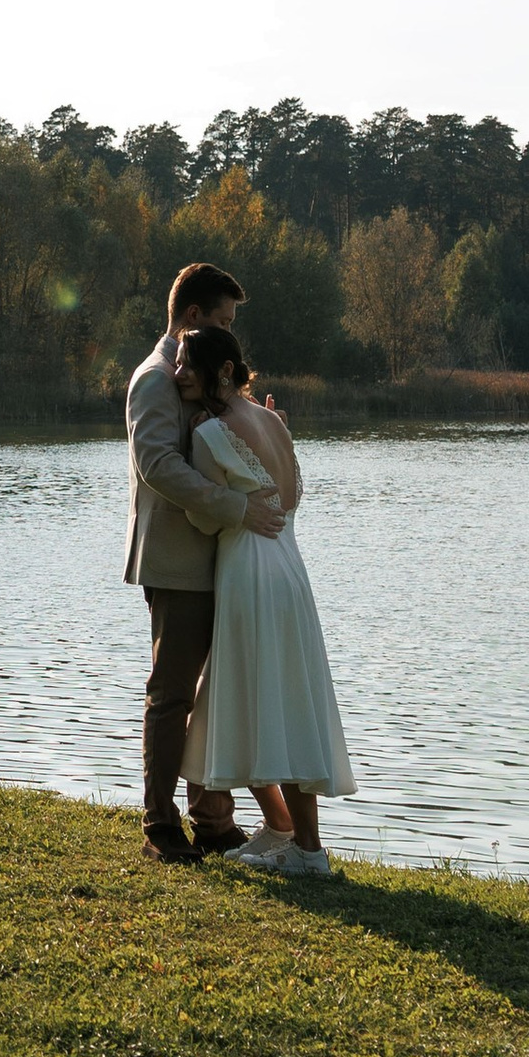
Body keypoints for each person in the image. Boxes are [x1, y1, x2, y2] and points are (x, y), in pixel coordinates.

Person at [174, 322, 356, 877]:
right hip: (291, 574)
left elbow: (201, 516)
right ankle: (287, 831)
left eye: (187, 364)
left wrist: (208, 468)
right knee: (278, 700)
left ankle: (307, 850)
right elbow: (291, 496)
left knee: (254, 699)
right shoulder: (276, 422)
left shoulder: (211, 433)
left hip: (250, 576)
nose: (178, 373)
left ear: (222, 372)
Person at [124, 259, 285, 865]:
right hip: (178, 562)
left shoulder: (200, 379)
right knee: (173, 695)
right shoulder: (155, 379)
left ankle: (214, 821)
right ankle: (161, 825)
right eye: (220, 318)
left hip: (224, 558)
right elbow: (158, 465)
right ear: (193, 314)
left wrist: (259, 429)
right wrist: (236, 509)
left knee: (219, 693)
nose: (226, 332)